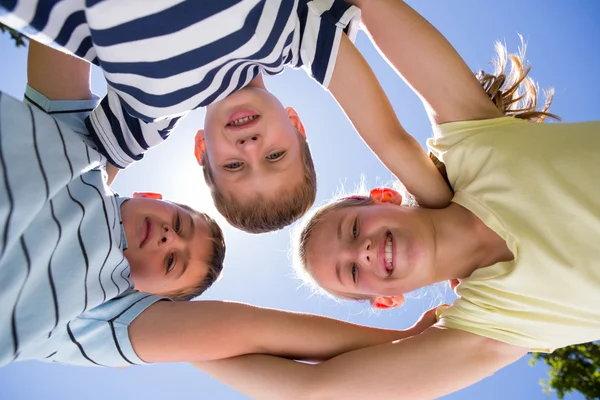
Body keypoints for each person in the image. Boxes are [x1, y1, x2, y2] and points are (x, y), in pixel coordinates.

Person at [189, 1, 600, 398]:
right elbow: (309, 389)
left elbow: (372, 6)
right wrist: (148, 328)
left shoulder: (475, 144)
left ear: (383, 197)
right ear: (387, 301)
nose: (362, 252)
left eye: (352, 230)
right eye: (350, 272)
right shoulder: (496, 324)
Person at [0, 38, 437, 369]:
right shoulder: (80, 150)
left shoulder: (101, 313)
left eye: (171, 263)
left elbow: (254, 330)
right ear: (156, 195)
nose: (170, 238)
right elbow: (63, 31)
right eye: (180, 223)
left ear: (145, 298)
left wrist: (399, 342)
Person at [0, 0, 451, 233]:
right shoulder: (302, 33)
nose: (250, 148)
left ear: (202, 150)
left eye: (234, 166)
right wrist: (452, 216)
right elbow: (391, 140)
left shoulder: (149, 118)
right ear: (296, 124)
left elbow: (62, 194)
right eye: (276, 155)